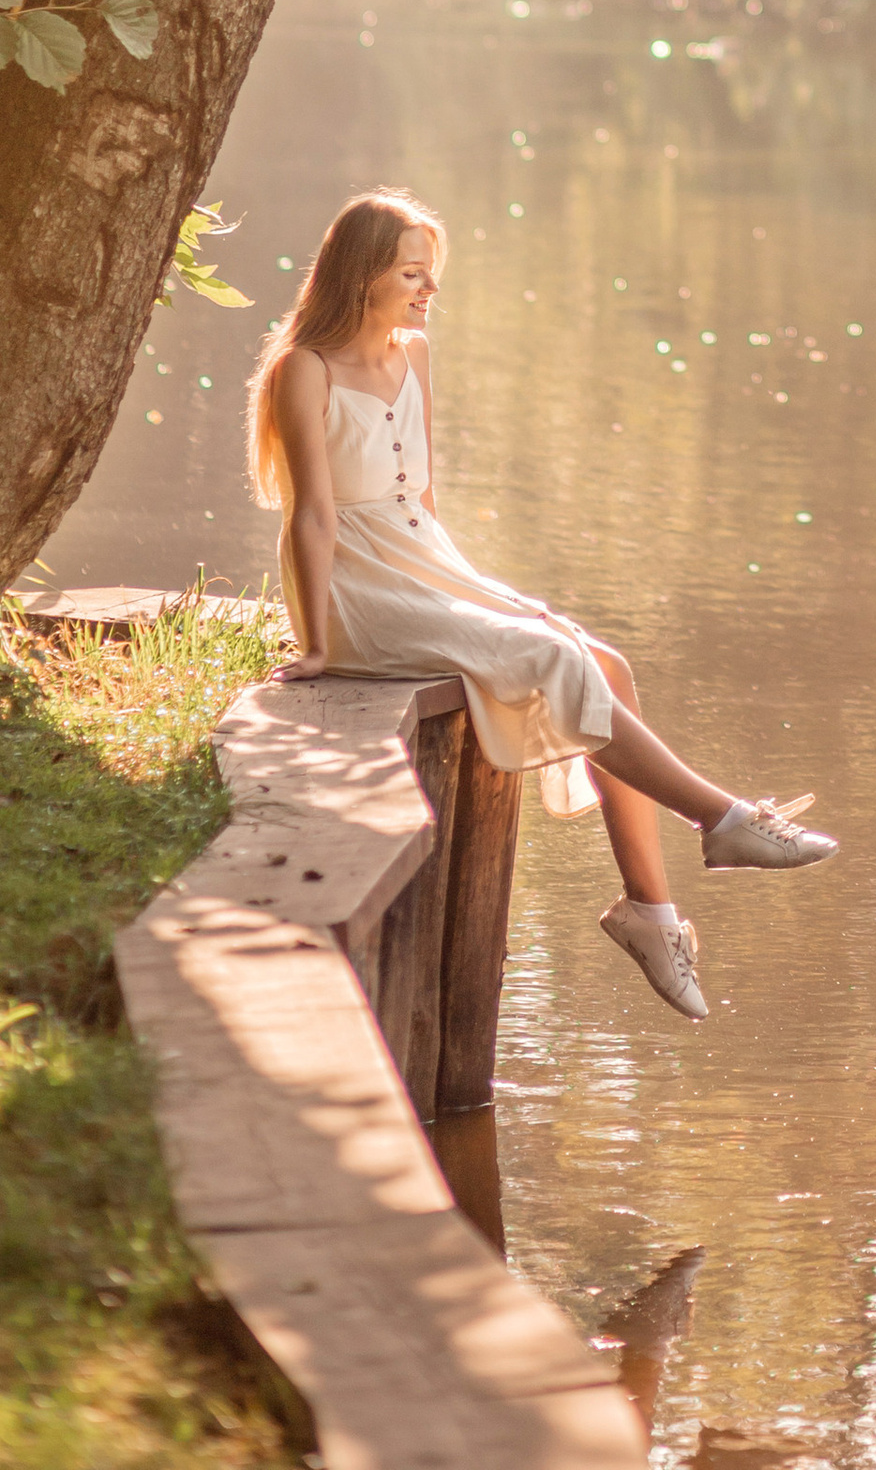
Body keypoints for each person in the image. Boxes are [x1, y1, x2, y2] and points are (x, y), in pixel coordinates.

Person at [247, 188, 833, 1022]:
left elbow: (426, 494)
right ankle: (724, 817)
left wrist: (482, 596)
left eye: (431, 272)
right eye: (413, 272)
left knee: (601, 661)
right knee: (552, 659)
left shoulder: (412, 354)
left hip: (423, 564)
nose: (429, 289)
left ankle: (651, 914)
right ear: (362, 274)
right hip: (358, 585)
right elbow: (312, 513)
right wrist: (313, 644)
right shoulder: (303, 369)